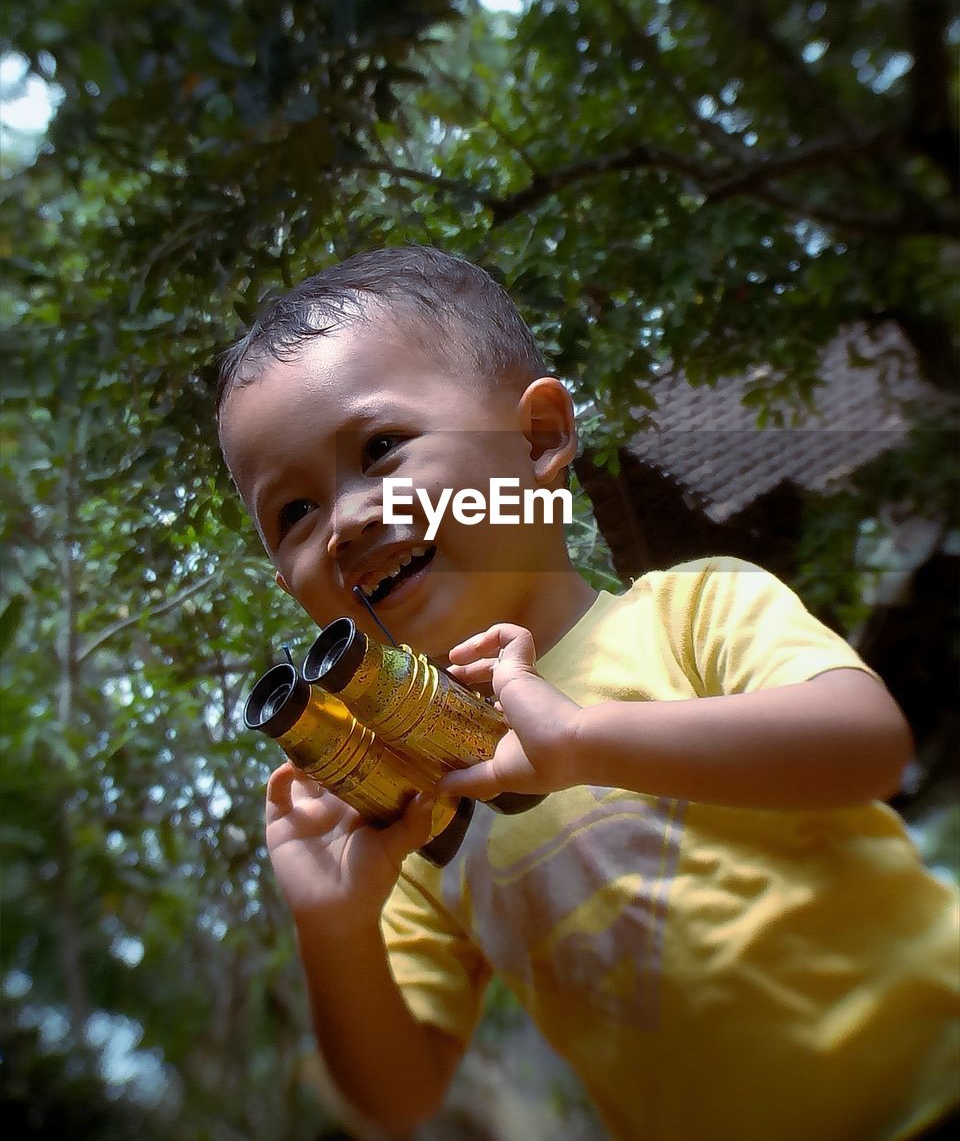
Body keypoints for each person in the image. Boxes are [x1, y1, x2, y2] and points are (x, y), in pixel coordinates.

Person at [216, 245, 959, 1141]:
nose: (343, 521)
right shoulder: (416, 816)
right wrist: (333, 930)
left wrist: (584, 740)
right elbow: (401, 1094)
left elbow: (867, 744)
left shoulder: (689, 612)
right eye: (292, 513)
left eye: (380, 449)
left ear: (537, 441)